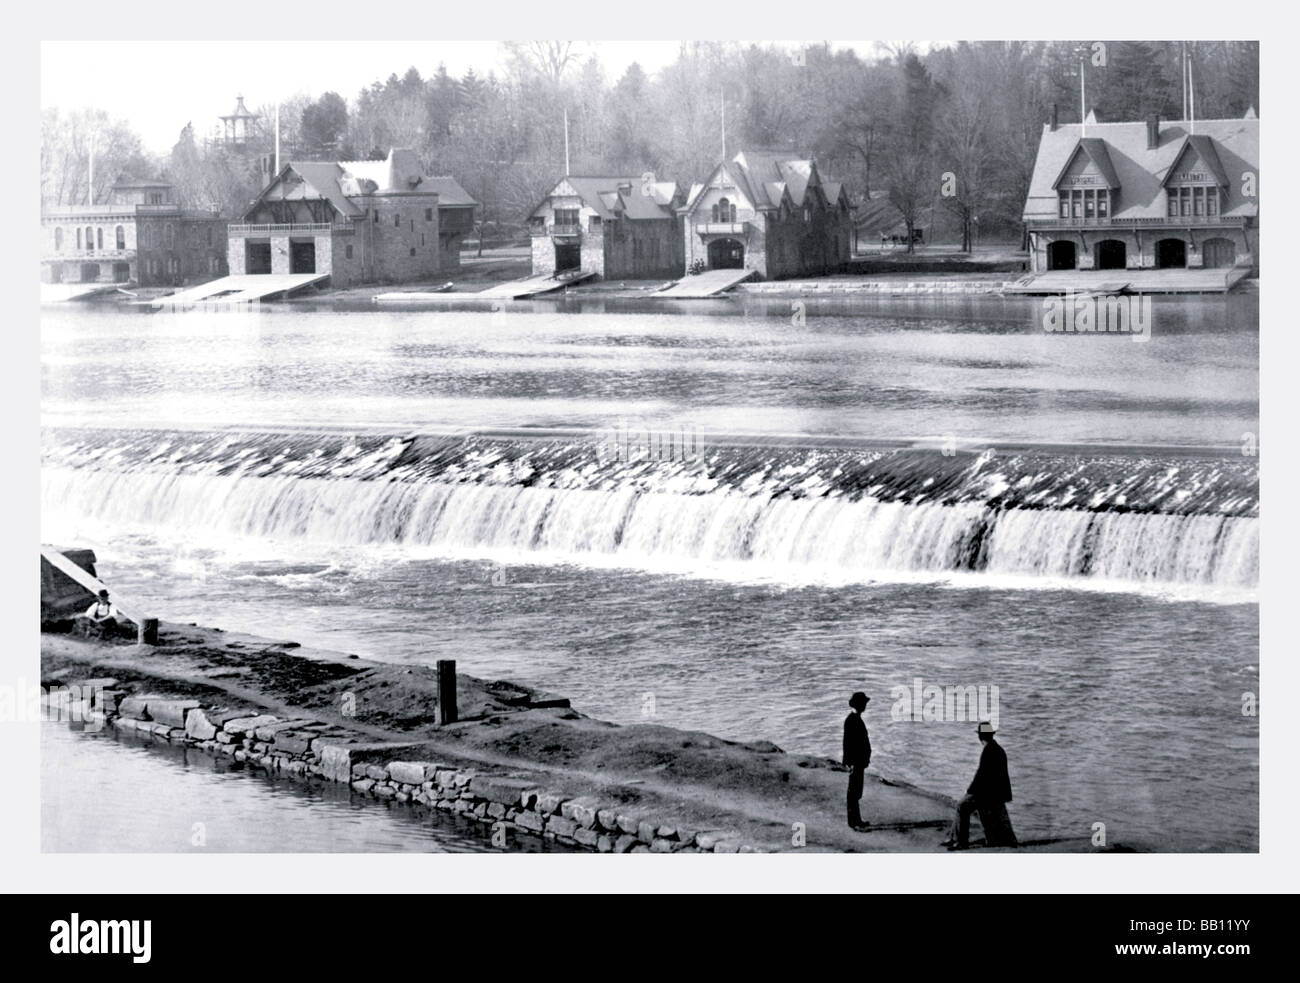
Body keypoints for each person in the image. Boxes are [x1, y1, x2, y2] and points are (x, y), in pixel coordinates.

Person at [943, 720, 1017, 850]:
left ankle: (961, 841)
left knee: (962, 806)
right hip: (995, 792)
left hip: (987, 793)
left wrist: (970, 791)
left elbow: (981, 776)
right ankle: (954, 837)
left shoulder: (989, 750)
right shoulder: (997, 749)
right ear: (991, 735)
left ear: (980, 736)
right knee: (962, 805)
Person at [843, 691, 872, 831]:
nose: (866, 705)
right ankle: (853, 822)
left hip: (858, 762)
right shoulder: (852, 720)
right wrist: (851, 763)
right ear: (859, 705)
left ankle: (856, 820)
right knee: (853, 792)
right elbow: (848, 744)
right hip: (856, 762)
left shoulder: (855, 718)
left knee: (856, 792)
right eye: (864, 703)